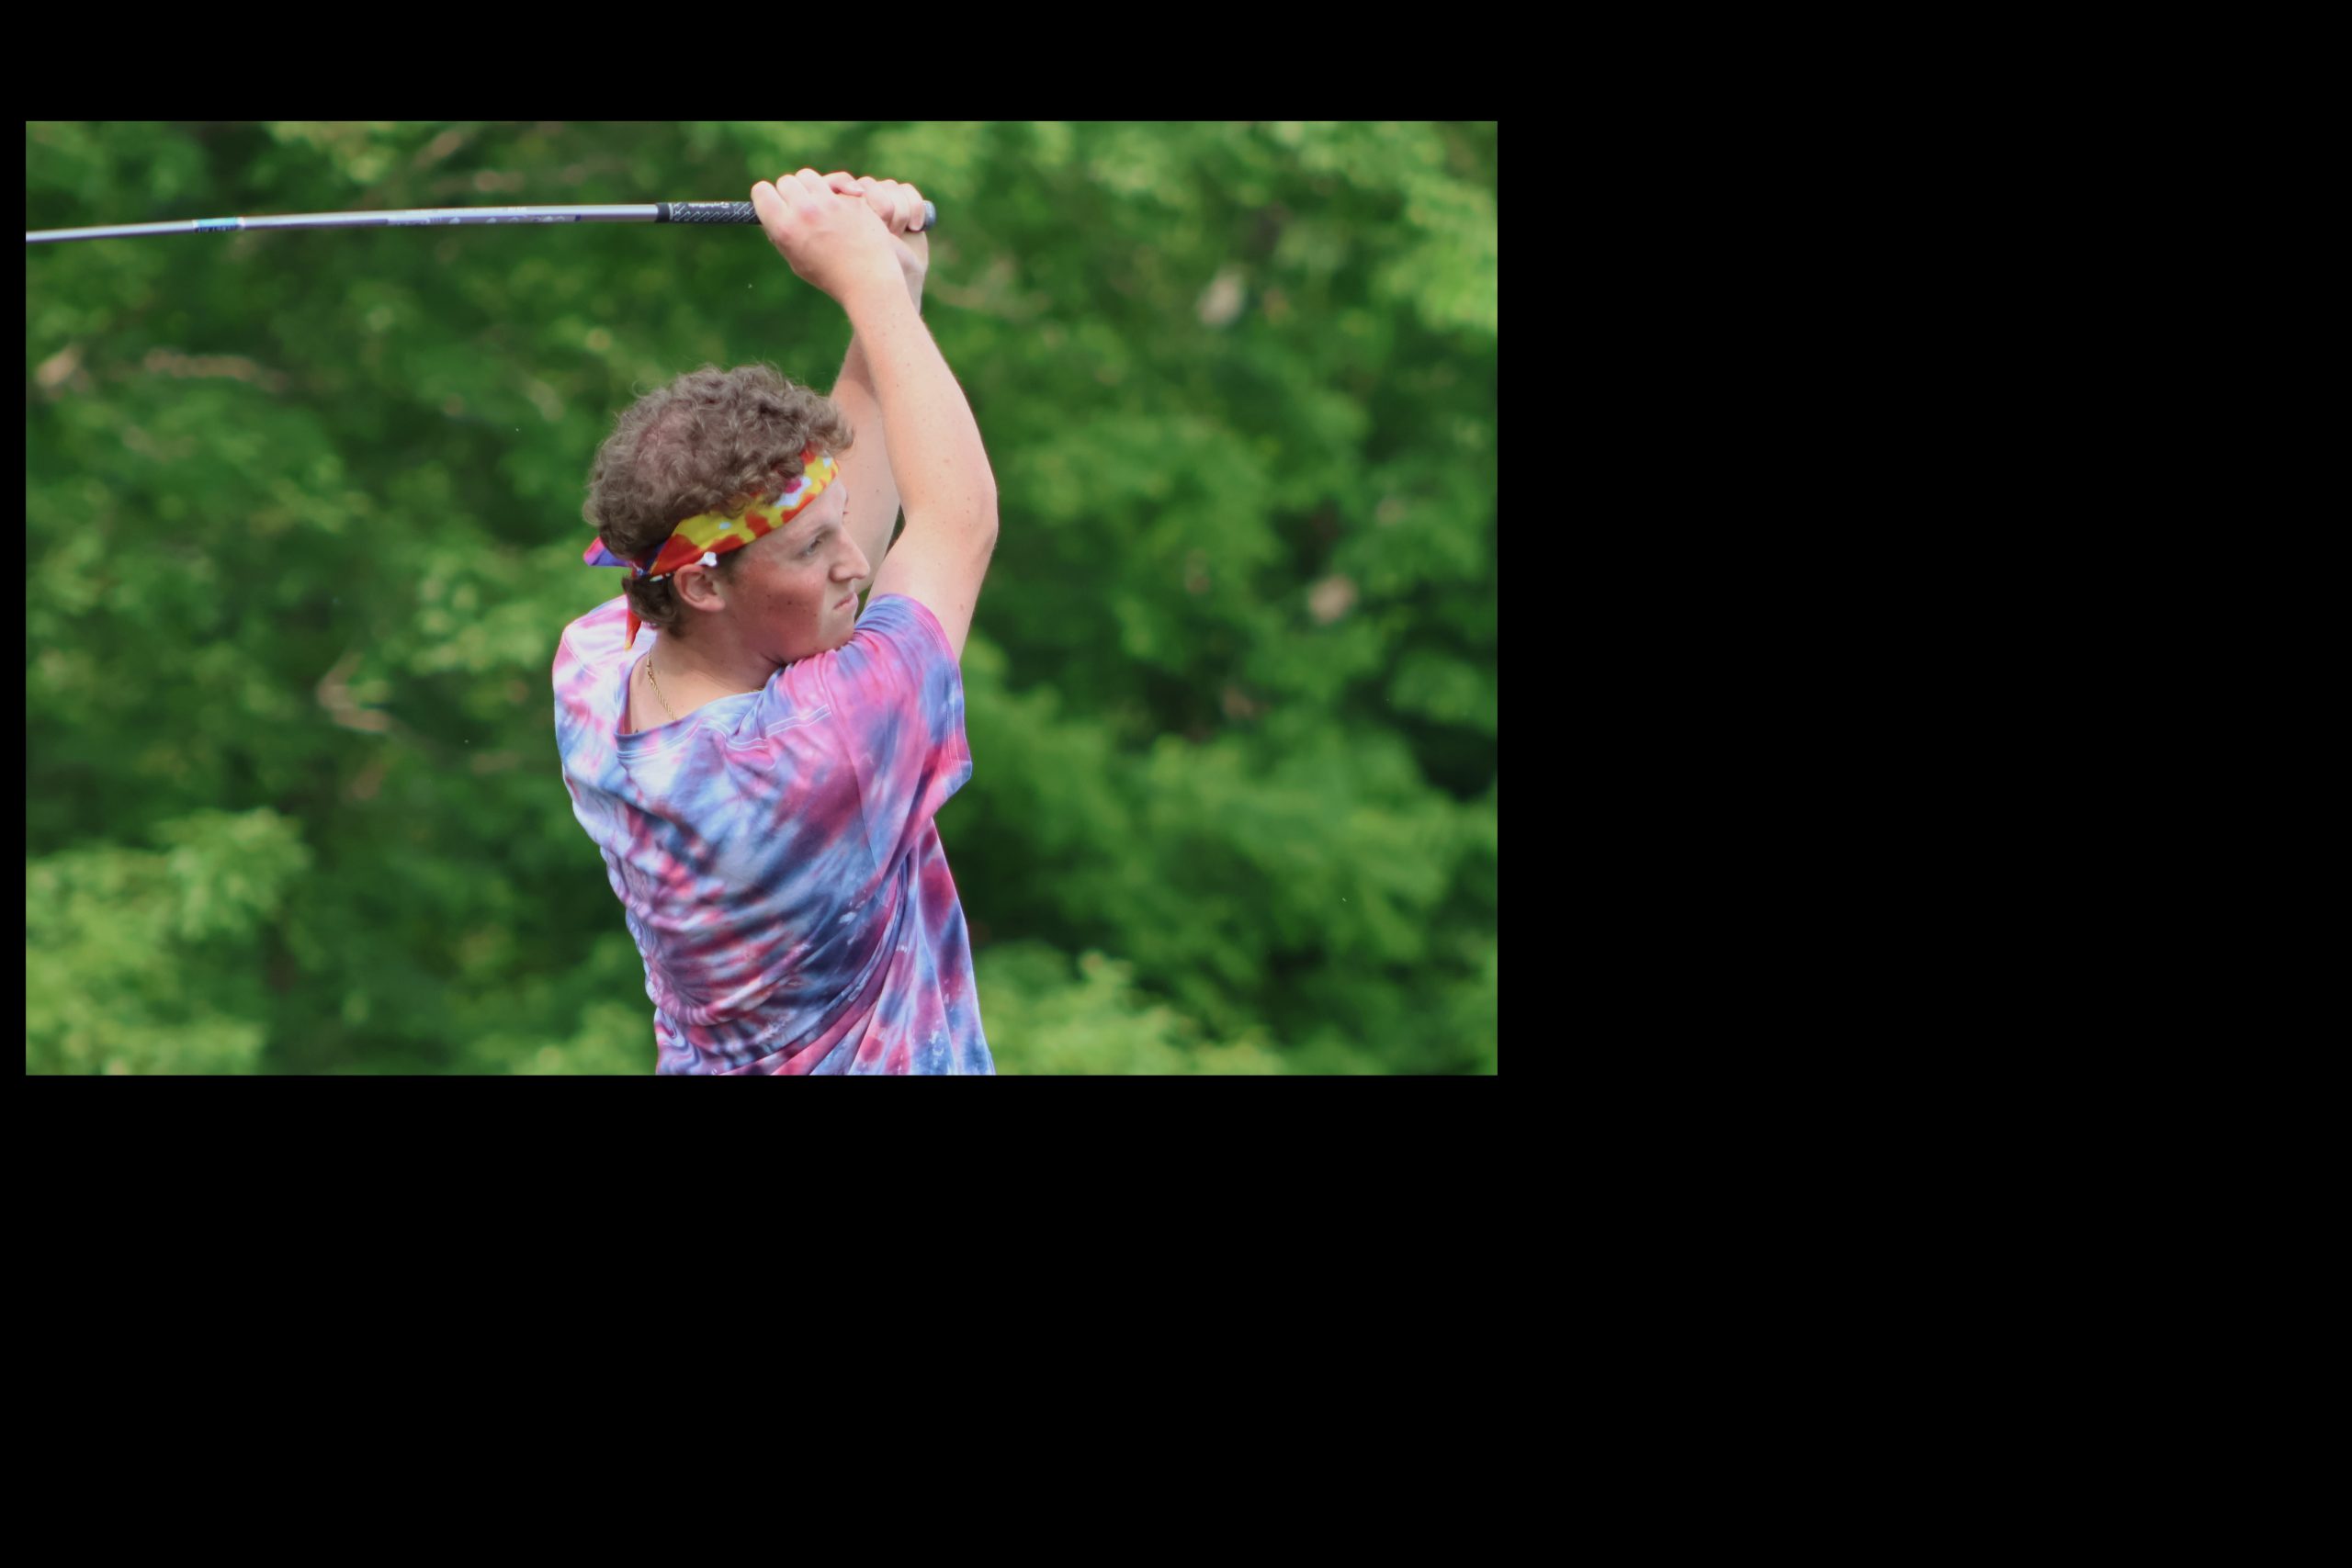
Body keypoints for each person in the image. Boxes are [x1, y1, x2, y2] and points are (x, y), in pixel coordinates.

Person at [551, 167, 1000, 1074]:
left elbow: (816, 536)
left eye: (838, 527)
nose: (856, 564)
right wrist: (865, 285)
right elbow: (960, 519)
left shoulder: (595, 670)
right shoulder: (816, 748)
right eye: (811, 550)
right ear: (703, 586)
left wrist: (891, 290)